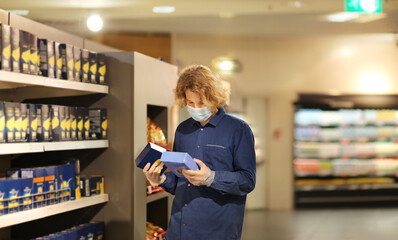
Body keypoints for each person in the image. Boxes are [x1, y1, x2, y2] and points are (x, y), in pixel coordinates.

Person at [143, 64, 256, 240]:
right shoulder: (182, 130)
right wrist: (160, 179)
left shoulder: (238, 129)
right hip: (180, 228)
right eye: (190, 102)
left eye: (202, 102)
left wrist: (211, 177)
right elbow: (181, 182)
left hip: (217, 230)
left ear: (214, 97)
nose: (196, 107)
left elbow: (247, 181)